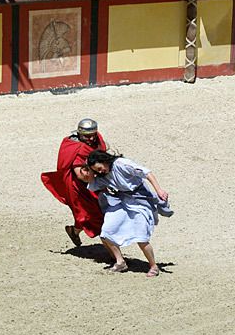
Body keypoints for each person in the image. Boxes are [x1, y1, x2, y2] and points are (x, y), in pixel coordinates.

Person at [79, 150, 172, 277]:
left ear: (104, 161)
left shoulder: (121, 164)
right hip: (122, 201)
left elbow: (146, 172)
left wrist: (159, 190)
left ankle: (153, 266)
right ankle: (120, 262)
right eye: (96, 170)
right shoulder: (101, 175)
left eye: (100, 168)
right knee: (106, 231)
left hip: (141, 201)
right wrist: (89, 172)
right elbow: (91, 183)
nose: (100, 172)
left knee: (141, 237)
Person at [41, 119, 108, 247]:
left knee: (91, 213)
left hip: (95, 182)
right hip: (78, 186)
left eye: (93, 135)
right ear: (80, 133)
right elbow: (80, 175)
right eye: (87, 136)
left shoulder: (96, 138)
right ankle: (115, 255)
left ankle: (74, 231)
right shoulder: (74, 146)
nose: (91, 138)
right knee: (89, 214)